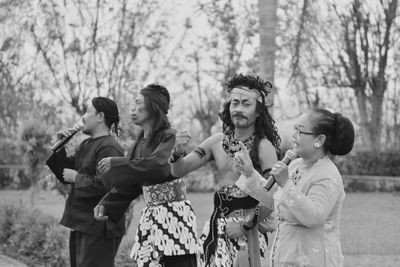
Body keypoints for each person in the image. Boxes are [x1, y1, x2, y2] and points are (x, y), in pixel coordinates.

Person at [169, 74, 281, 267]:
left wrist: (245, 226)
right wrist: (177, 153)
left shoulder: (264, 148)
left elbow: (272, 199)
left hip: (249, 233)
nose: (238, 109)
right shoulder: (216, 142)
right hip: (216, 229)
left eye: (246, 104)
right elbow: (179, 170)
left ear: (258, 112)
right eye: (234, 103)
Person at [94, 84, 199, 267]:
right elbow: (133, 183)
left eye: (137, 103)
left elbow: (158, 166)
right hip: (152, 217)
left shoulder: (170, 137)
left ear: (152, 106)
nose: (132, 108)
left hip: (175, 216)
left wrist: (118, 162)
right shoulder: (140, 142)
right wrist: (106, 204)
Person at [234, 108, 355, 267]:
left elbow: (314, 216)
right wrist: (250, 173)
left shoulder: (328, 176)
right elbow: (274, 200)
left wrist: (286, 184)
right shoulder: (295, 165)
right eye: (295, 129)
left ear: (319, 139)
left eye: (300, 131)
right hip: (288, 255)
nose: (294, 135)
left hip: (314, 260)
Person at [46, 97, 124, 267]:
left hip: (100, 227)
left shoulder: (110, 147)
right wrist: (61, 145)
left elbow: (109, 186)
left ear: (100, 116)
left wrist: (77, 178)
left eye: (88, 111)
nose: (83, 117)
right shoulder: (86, 144)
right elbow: (64, 173)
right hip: (82, 224)